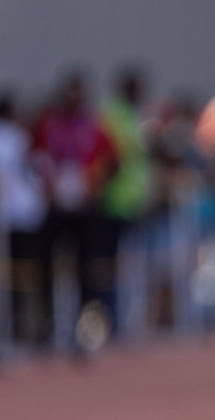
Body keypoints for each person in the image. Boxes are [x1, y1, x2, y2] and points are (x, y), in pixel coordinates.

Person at [32, 71, 119, 355]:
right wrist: (47, 186)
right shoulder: (48, 124)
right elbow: (34, 158)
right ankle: (48, 323)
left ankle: (88, 323)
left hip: (85, 206)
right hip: (55, 206)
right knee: (46, 266)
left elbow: (113, 160)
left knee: (89, 267)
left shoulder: (94, 125)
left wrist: (96, 182)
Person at [0, 92, 48, 354]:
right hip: (14, 214)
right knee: (13, 276)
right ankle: (12, 330)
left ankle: (5, 330)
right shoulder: (9, 135)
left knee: (11, 277)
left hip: (2, 214)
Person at [99, 68, 153, 334]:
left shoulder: (137, 116)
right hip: (112, 201)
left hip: (133, 202)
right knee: (108, 262)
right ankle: (109, 316)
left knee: (130, 264)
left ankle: (125, 317)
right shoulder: (112, 114)